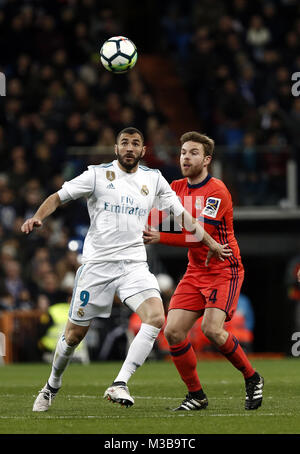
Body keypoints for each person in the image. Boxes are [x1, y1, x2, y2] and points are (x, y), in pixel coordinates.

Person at [21, 127, 231, 412]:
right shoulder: (96, 175)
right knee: (72, 336)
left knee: (156, 317)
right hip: (97, 267)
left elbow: (184, 217)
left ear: (143, 150)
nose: (129, 148)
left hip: (133, 265)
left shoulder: (153, 179)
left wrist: (212, 243)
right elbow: (58, 197)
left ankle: (120, 382)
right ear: (116, 149)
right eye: (124, 143)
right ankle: (51, 386)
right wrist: (37, 217)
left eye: (135, 144)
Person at [143, 131, 264, 411]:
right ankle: (196, 394)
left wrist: (160, 236)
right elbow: (153, 213)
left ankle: (252, 377)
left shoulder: (217, 190)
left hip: (225, 269)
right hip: (195, 270)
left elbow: (202, 234)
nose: (186, 157)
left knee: (211, 329)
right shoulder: (174, 187)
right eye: (183, 152)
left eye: (193, 152)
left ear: (207, 159)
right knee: (172, 332)